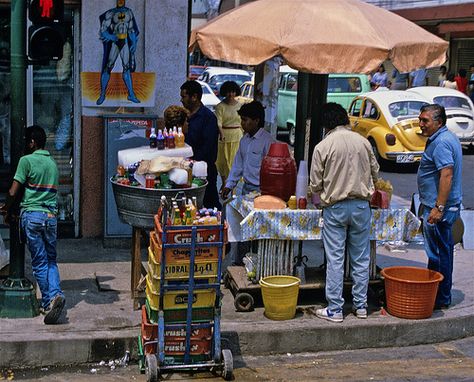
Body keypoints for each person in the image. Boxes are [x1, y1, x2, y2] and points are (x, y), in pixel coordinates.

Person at [309, 103, 379, 323]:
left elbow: (314, 184)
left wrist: (322, 193)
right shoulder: (364, 142)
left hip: (335, 208)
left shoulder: (323, 146)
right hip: (361, 207)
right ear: (345, 120)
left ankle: (335, 309)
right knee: (361, 259)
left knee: (335, 259)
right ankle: (361, 307)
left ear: (326, 124)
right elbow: (376, 173)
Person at [0, 126, 65, 324]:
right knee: (51, 259)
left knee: (39, 262)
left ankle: (47, 302)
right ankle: (56, 294)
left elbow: (13, 191)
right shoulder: (53, 164)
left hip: (33, 217)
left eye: (26, 142)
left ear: (32, 143)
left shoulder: (26, 161)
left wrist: (6, 208)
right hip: (51, 217)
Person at [417, 104, 462, 310]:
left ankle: (440, 297)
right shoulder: (443, 138)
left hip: (440, 209)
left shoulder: (442, 142)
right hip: (441, 207)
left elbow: (447, 174)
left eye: (425, 120)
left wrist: (438, 207)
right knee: (440, 253)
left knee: (439, 254)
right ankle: (435, 294)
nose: (421, 124)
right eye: (421, 119)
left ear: (439, 122)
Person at [221, 101, 274, 265]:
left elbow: (271, 170)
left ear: (256, 120)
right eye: (242, 120)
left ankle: (258, 263)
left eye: (245, 120)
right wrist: (229, 184)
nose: (242, 124)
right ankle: (240, 263)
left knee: (258, 231)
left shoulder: (267, 141)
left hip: (262, 192)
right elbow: (238, 164)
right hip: (246, 190)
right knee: (242, 228)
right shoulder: (244, 140)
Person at [180, 80, 221, 209]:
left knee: (210, 206)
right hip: (186, 169)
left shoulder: (208, 118)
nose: (181, 100)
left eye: (183, 97)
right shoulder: (183, 116)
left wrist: (192, 161)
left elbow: (208, 147)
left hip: (205, 170)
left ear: (194, 97)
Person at [96, 0, 140, 105]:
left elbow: (131, 30)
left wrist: (133, 43)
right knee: (108, 66)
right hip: (115, 42)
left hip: (124, 41)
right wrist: (111, 37)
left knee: (126, 67)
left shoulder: (129, 12)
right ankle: (102, 94)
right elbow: (103, 30)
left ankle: (131, 94)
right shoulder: (111, 13)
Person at [215, 81, 244, 191]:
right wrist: (221, 134)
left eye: (232, 92)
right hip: (224, 136)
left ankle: (233, 186)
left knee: (235, 162)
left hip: (237, 136)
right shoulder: (220, 107)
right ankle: (224, 182)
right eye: (228, 92)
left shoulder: (240, 106)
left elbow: (242, 122)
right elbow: (219, 122)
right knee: (223, 162)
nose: (230, 94)